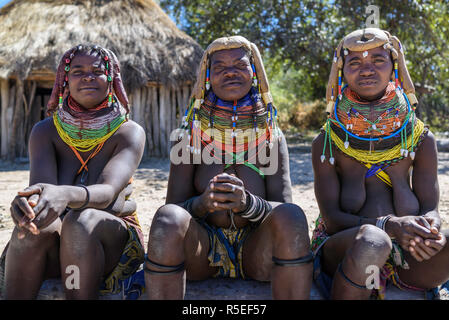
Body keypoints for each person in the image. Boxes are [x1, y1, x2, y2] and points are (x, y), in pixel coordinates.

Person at [144, 36, 312, 300]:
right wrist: (203, 203)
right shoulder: (187, 136)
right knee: (167, 219)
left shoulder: (271, 136)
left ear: (253, 73)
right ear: (208, 77)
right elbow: (174, 209)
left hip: (257, 250)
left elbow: (284, 211)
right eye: (219, 67)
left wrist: (248, 204)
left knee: (292, 216)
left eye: (240, 65)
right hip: (203, 250)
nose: (230, 72)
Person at [311, 28, 449, 300]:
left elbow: (431, 207)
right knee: (373, 241)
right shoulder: (327, 142)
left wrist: (430, 230)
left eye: (378, 60)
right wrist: (390, 225)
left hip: (408, 252)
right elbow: (332, 220)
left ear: (394, 66)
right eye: (355, 62)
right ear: (342, 71)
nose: (366, 70)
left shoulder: (420, 138)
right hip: (347, 248)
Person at [1, 44, 146, 299]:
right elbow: (43, 193)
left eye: (97, 71)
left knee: (81, 221)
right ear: (65, 80)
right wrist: (28, 206)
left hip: (110, 240)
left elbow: (109, 191)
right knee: (31, 226)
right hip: (59, 242)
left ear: (110, 78)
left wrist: (66, 194)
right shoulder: (46, 131)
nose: (88, 76)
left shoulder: (128, 131)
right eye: (78, 71)